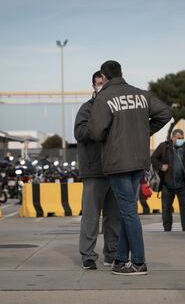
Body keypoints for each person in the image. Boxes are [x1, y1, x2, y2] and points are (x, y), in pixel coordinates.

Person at [88, 60, 172, 276]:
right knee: (128, 211)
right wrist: (146, 131)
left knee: (128, 212)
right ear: (122, 73)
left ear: (104, 78)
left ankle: (139, 261)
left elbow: (95, 133)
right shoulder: (141, 94)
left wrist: (112, 136)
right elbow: (165, 113)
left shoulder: (104, 97)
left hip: (118, 163)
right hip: (138, 160)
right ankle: (120, 259)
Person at [74, 70, 121, 270]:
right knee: (91, 217)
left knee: (114, 218)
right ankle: (88, 256)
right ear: (93, 86)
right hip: (94, 171)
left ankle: (111, 254)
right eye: (98, 83)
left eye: (105, 82)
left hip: (115, 169)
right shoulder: (87, 108)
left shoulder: (116, 108)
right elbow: (80, 132)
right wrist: (100, 125)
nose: (102, 86)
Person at [151, 129, 185, 232]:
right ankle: (167, 228)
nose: (181, 140)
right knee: (166, 207)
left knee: (184, 206)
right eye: (179, 138)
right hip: (167, 184)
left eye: (182, 138)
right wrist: (161, 166)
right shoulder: (164, 147)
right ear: (173, 138)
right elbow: (153, 158)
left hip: (183, 184)